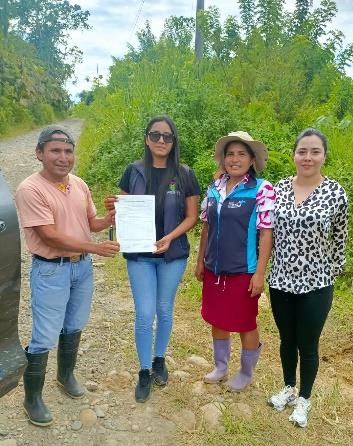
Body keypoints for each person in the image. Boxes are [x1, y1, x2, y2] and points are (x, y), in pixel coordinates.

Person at [15, 125, 120, 426]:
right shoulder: (30, 189)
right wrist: (95, 248)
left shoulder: (79, 184)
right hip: (51, 270)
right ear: (39, 153)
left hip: (81, 268)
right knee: (45, 335)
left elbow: (91, 223)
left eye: (68, 151)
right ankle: (32, 398)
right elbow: (49, 236)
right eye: (55, 151)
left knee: (74, 324)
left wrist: (110, 218)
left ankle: (65, 375)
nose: (63, 157)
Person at [105, 115, 200, 403]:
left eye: (167, 136)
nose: (161, 140)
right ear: (147, 139)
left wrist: (170, 237)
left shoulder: (185, 173)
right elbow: (121, 211)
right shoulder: (132, 171)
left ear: (174, 141)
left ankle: (160, 359)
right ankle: (144, 370)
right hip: (140, 257)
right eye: (155, 135)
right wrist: (114, 208)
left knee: (164, 309)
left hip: (173, 255)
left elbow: (192, 217)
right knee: (145, 313)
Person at [267, 128, 349, 428]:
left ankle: (304, 398)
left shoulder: (336, 193)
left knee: (308, 343)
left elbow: (340, 238)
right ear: (294, 154)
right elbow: (268, 232)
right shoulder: (279, 188)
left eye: (315, 151)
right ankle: (289, 388)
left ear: (324, 156)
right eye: (302, 151)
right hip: (280, 280)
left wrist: (330, 272)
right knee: (287, 339)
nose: (308, 157)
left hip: (316, 284)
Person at [195, 131, 275, 392]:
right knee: (217, 319)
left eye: (242, 154)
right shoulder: (214, 188)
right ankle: (221, 367)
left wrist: (259, 273)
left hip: (243, 271)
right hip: (214, 269)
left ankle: (246, 372)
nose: (235, 159)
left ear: (252, 160)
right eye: (230, 154)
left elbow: (266, 233)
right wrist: (200, 261)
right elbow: (206, 226)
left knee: (245, 323)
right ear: (224, 159)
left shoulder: (262, 189)